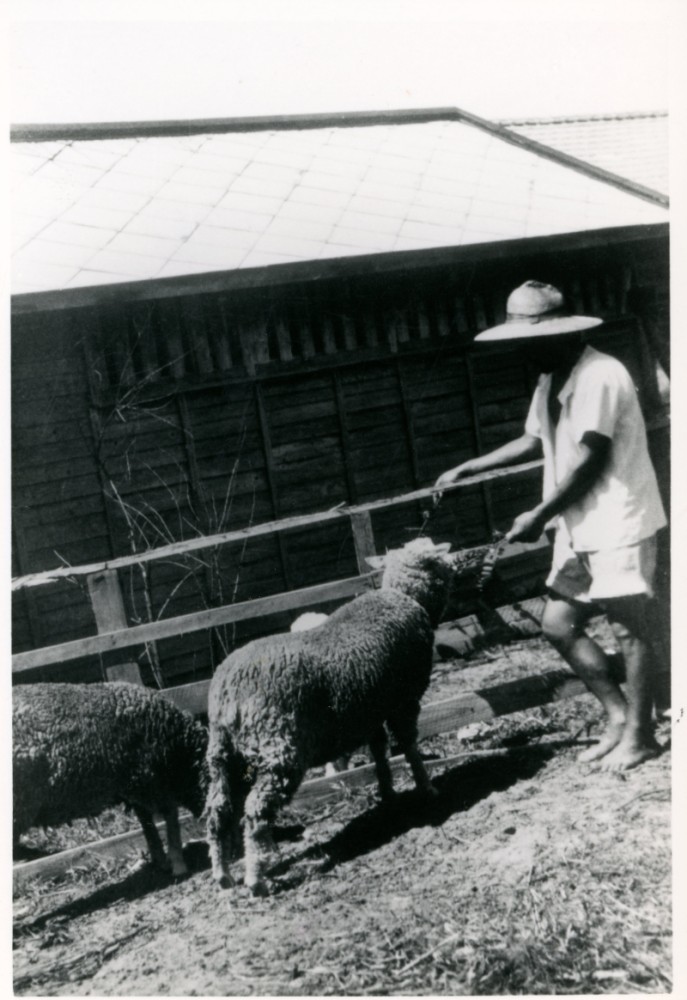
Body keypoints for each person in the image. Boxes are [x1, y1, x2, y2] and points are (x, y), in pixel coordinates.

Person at [434, 280, 668, 771]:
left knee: (631, 629)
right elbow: (530, 439)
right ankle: (620, 716)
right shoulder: (551, 377)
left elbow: (590, 460)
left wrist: (538, 515)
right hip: (578, 525)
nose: (521, 349)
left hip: (618, 519)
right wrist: (470, 466)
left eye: (528, 340)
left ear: (559, 333)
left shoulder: (601, 373)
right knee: (558, 624)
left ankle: (643, 734)